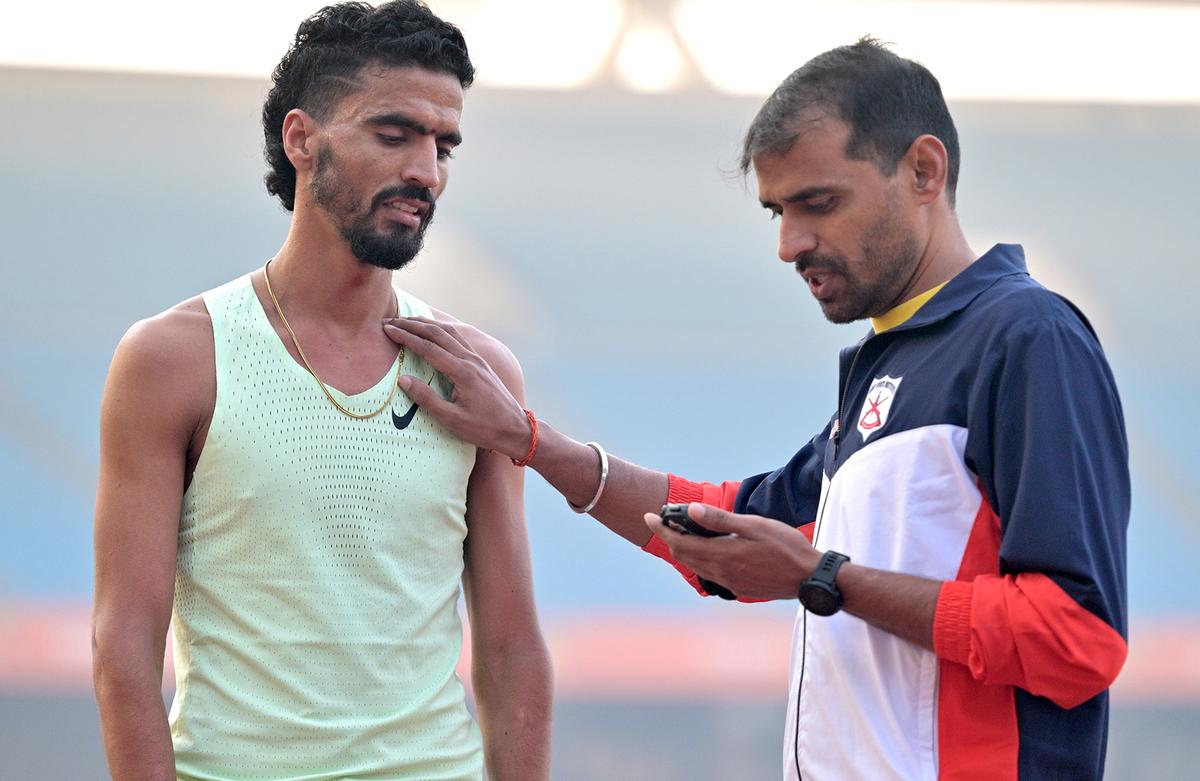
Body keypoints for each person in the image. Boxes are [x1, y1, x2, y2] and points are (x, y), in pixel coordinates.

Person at [383, 39, 1129, 780]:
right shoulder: (890, 365)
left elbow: (1077, 638)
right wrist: (528, 438)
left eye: (819, 204)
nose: (788, 243)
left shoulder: (1029, 339)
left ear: (923, 171)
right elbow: (729, 525)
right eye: (777, 209)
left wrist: (824, 576)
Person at [91, 3, 552, 779]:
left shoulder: (477, 372)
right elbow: (123, 647)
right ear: (300, 139)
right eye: (394, 133)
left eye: (444, 145)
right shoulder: (173, 359)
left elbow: (510, 648)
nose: (426, 170)